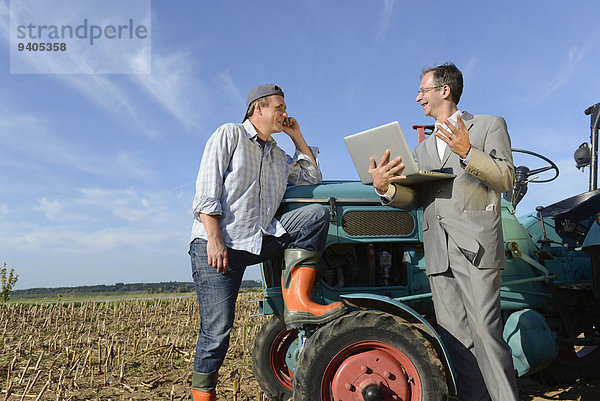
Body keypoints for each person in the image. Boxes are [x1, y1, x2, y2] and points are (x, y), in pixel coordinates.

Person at [368, 63, 519, 401]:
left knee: (485, 333)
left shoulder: (488, 126)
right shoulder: (420, 150)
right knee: (456, 340)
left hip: (475, 247)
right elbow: (416, 199)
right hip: (438, 252)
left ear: (444, 91)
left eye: (423, 90)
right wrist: (386, 189)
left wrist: (468, 152)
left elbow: (506, 179)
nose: (418, 96)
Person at [189, 84, 346, 401]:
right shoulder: (229, 135)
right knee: (217, 330)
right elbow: (206, 191)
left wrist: (297, 136)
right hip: (222, 243)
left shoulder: (278, 155)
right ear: (257, 109)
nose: (285, 113)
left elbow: (311, 178)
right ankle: (203, 394)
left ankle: (299, 300)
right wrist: (214, 238)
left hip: (260, 239)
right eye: (279, 107)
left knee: (314, 215)